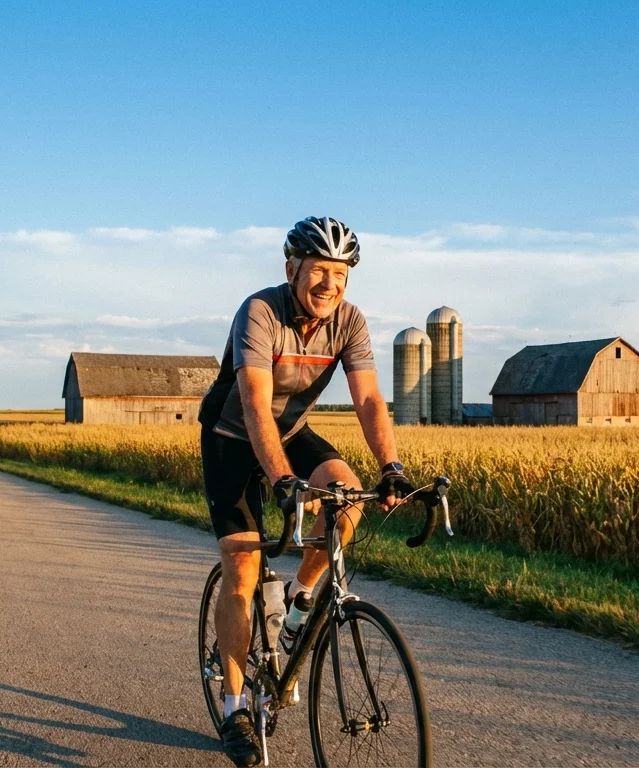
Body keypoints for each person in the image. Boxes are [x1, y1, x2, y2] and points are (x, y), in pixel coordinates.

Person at [198, 216, 414, 767]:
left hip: (290, 432)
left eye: (340, 275)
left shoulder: (349, 321)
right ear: (291, 267)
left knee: (346, 498)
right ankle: (234, 705)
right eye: (319, 271)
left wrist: (391, 465)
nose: (329, 285)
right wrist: (282, 481)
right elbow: (252, 402)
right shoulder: (260, 312)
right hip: (231, 437)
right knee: (242, 568)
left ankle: (296, 606)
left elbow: (367, 400)